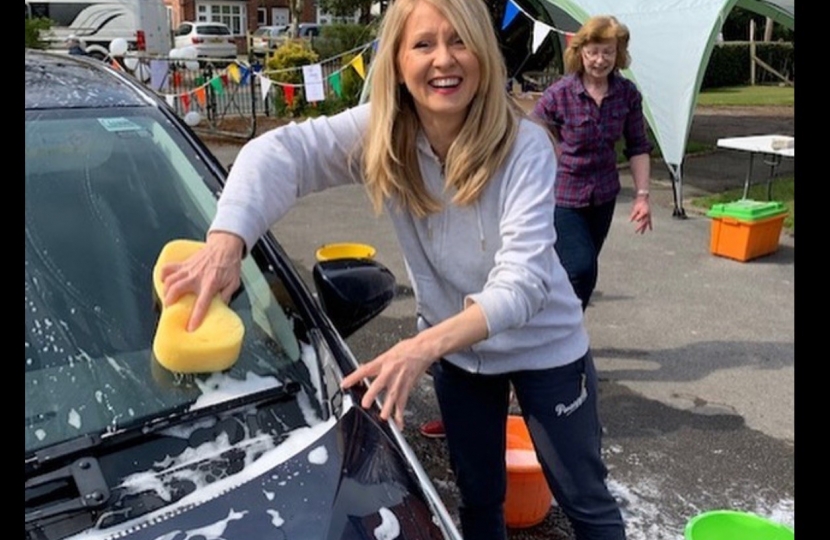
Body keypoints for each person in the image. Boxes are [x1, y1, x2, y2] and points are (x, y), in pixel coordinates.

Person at [159, 0, 626, 538]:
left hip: (546, 348)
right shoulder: (383, 131)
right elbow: (278, 155)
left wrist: (419, 346)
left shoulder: (525, 147)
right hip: (462, 359)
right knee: (478, 502)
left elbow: (522, 286)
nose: (443, 60)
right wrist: (226, 240)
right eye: (423, 44)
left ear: (483, 53)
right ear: (398, 62)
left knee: (586, 501)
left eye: (459, 41)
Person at [531, 15, 653, 311]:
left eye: (608, 52)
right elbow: (533, 133)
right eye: (593, 52)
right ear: (580, 52)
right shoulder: (560, 94)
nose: (600, 60)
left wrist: (642, 196)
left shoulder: (627, 95)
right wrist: (549, 156)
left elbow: (638, 146)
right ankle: (562, 332)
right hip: (564, 197)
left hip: (604, 197)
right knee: (581, 269)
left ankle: (555, 324)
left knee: (578, 271)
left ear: (618, 53)